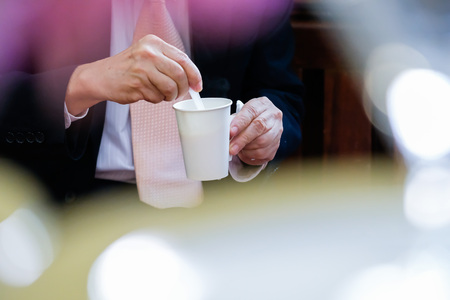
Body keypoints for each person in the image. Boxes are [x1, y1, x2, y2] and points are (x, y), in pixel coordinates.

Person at [0, 0, 304, 207]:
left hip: (218, 207)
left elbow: (282, 94)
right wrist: (81, 83)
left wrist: (266, 129)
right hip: (74, 206)